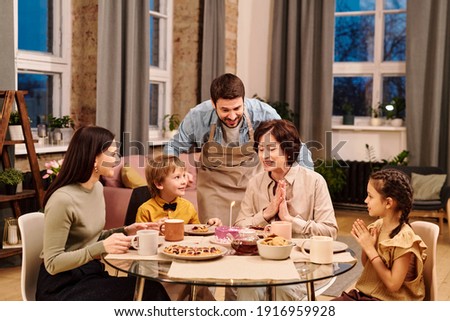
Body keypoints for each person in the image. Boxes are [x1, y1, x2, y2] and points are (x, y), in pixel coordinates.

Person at [36, 126, 170, 301]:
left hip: (89, 273)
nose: (116, 159)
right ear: (93, 159)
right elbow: (52, 263)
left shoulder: (97, 188)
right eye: (112, 154)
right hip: (61, 286)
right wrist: (101, 248)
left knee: (149, 287)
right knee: (149, 292)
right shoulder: (62, 200)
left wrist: (126, 230)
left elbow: (90, 237)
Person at [164, 73, 313, 226]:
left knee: (254, 232)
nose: (232, 115)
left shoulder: (263, 113)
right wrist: (179, 170)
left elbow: (294, 145)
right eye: (225, 110)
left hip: (253, 184)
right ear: (213, 104)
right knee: (213, 236)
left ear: (243, 100)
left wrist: (308, 181)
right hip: (214, 187)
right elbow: (172, 147)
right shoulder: (197, 116)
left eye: (237, 108)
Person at [234, 119, 338, 300]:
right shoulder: (255, 183)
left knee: (282, 289)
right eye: (260, 149)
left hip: (301, 264)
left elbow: (330, 232)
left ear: (288, 150)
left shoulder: (314, 182)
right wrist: (266, 214)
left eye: (271, 148)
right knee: (247, 288)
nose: (264, 155)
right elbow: (238, 228)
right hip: (259, 262)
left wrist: (290, 220)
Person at [333, 169, 426, 301]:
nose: (366, 200)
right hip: (368, 295)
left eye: (370, 196)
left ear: (388, 203)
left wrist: (370, 249)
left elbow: (393, 285)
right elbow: (368, 265)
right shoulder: (377, 226)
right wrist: (366, 245)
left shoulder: (404, 239)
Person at [135, 154, 222, 226]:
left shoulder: (188, 207)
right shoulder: (145, 210)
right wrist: (154, 229)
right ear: (159, 184)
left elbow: (197, 232)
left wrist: (209, 225)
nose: (184, 182)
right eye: (177, 177)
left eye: (184, 176)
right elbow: (138, 239)